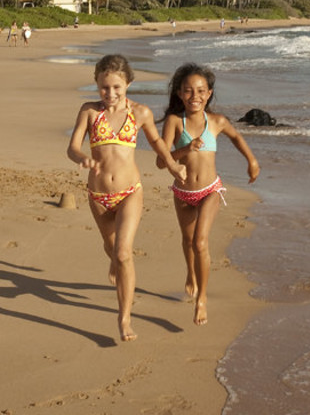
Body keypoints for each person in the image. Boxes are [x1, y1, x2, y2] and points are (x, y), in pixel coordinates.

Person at [67, 54, 187, 342]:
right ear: (97, 85)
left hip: (130, 191)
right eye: (104, 88)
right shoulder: (89, 112)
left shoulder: (140, 113)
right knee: (112, 250)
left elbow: (158, 143)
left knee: (123, 253)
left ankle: (124, 319)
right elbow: (72, 148)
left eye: (117, 88)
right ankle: (114, 261)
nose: (110, 94)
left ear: (128, 84)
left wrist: (172, 165)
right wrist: (82, 158)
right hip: (98, 195)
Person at [157, 62, 260, 325]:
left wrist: (252, 161)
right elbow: (162, 161)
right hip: (182, 192)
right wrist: (186, 149)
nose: (195, 97)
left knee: (200, 242)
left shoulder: (217, 122)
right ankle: (191, 273)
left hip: (210, 190)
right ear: (179, 93)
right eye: (189, 91)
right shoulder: (173, 121)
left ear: (210, 93)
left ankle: (201, 299)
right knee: (187, 240)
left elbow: (236, 137)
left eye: (201, 91)